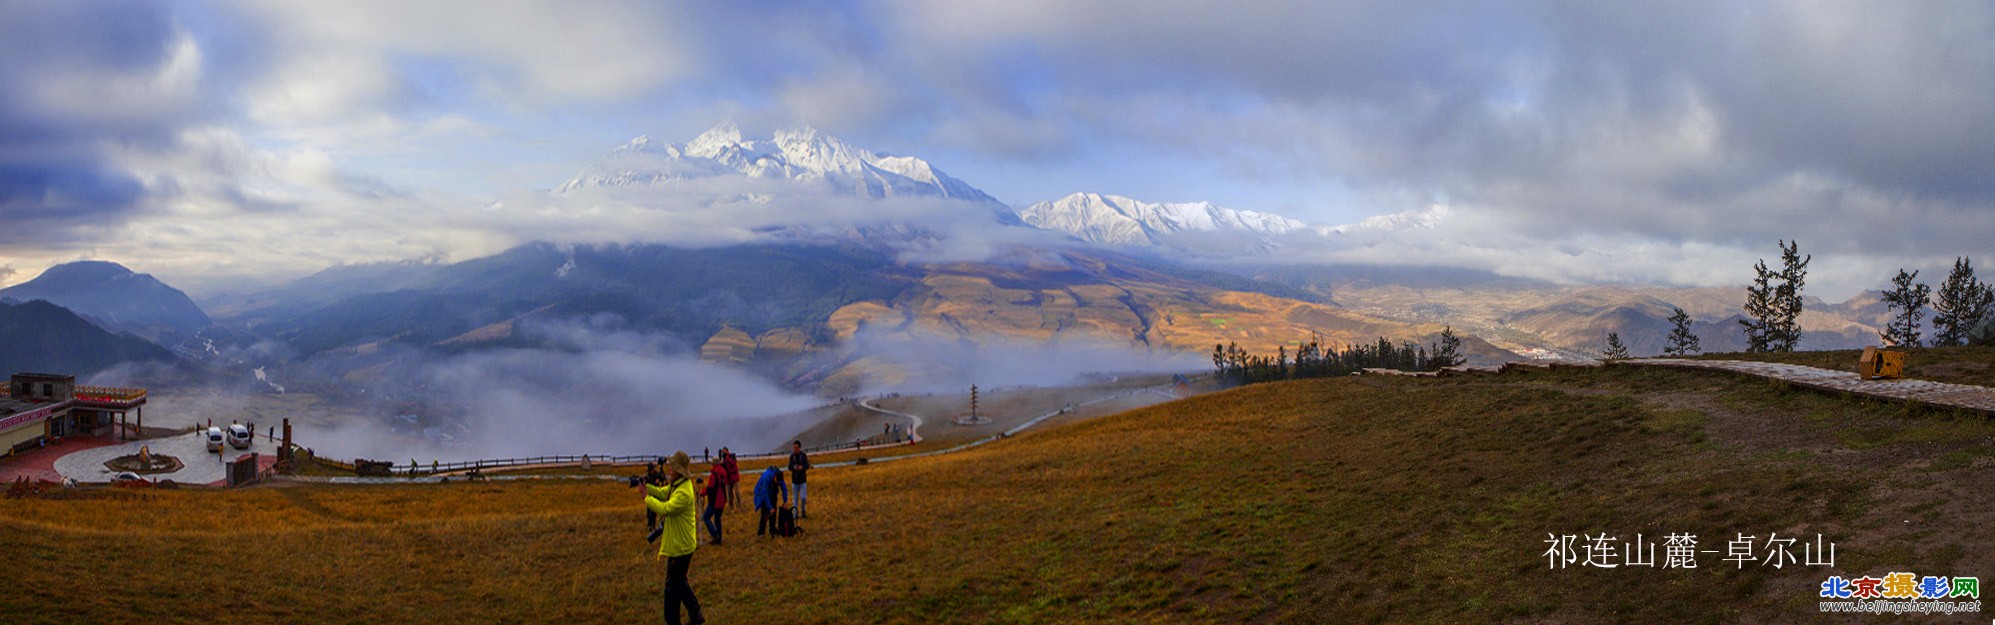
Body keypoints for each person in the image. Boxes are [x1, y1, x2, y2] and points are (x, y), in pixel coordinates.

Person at [644, 451, 704, 625]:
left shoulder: (683, 492)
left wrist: (645, 498)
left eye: (673, 466)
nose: (669, 468)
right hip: (682, 545)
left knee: (672, 591)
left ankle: (674, 621)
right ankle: (696, 614)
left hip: (680, 548)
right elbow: (664, 493)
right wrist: (647, 487)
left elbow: (665, 508)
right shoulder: (678, 484)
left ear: (679, 470)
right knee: (680, 582)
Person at [753, 465, 787, 537]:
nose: (778, 483)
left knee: (774, 511)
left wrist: (785, 501)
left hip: (773, 493)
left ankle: (772, 529)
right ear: (774, 477)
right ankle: (761, 532)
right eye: (777, 481)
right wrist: (770, 507)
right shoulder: (766, 477)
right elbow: (765, 494)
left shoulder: (779, 477)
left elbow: (784, 489)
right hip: (763, 493)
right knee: (765, 513)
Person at [701, 458, 727, 545]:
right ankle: (718, 539)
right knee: (717, 519)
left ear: (713, 464)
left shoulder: (714, 474)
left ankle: (715, 535)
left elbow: (710, 488)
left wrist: (702, 493)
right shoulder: (722, 472)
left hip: (715, 501)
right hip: (722, 499)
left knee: (706, 517)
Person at [787, 440, 812, 519]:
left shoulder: (803, 455)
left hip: (802, 480)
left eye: (796, 447)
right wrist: (794, 468)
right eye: (794, 447)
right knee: (795, 499)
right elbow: (789, 467)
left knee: (803, 497)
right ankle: (795, 514)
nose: (795, 449)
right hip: (794, 480)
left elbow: (807, 465)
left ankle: (803, 511)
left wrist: (802, 468)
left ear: (799, 447)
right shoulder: (792, 456)